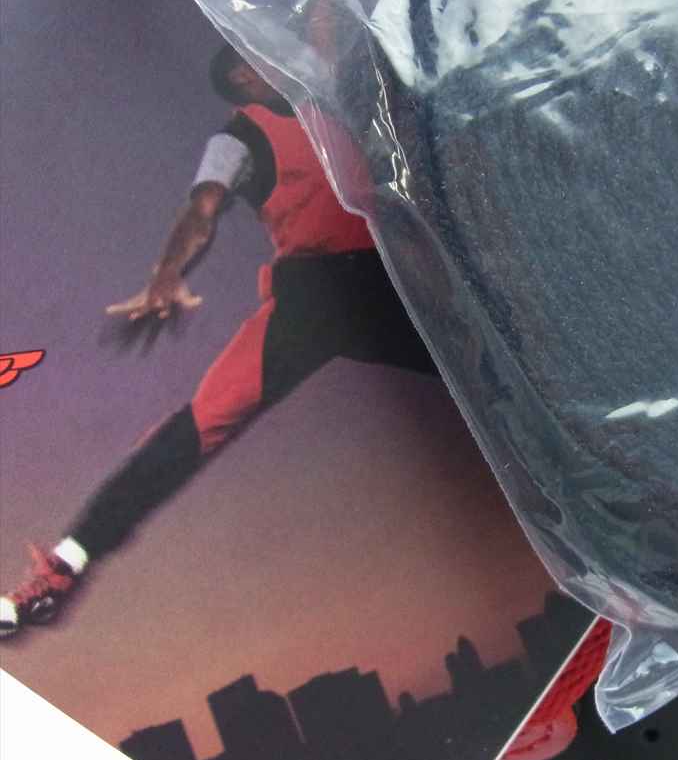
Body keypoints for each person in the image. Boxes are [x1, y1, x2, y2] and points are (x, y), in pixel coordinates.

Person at [0, 47, 437, 638]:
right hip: (316, 297)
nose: (275, 59)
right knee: (197, 426)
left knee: (486, 372)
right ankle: (63, 568)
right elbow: (202, 206)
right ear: (242, 78)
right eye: (257, 59)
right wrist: (167, 271)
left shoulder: (334, 94)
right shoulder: (238, 140)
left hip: (391, 274)